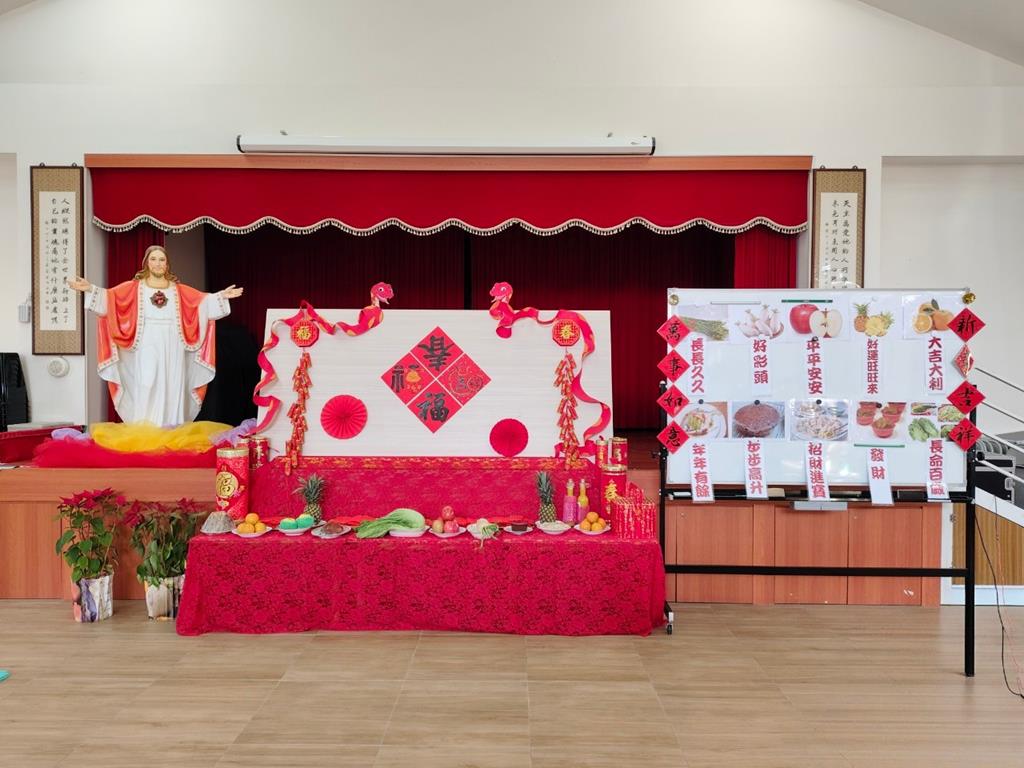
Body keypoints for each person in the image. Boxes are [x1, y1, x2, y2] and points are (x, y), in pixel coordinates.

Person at [69, 245, 244, 427]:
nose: (158, 263)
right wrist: (90, 289)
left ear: (167, 264)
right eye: (153, 259)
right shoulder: (134, 288)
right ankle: (147, 426)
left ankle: (171, 425)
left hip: (173, 341)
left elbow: (202, 302)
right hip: (146, 340)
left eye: (162, 260)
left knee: (173, 382)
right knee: (147, 381)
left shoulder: (179, 290)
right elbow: (111, 297)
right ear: (146, 263)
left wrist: (222, 296)